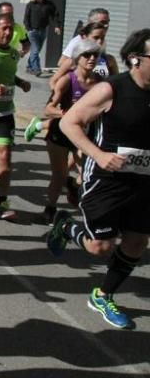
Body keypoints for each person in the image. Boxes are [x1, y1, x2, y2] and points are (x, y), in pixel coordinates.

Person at [47, 29, 150, 330]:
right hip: (107, 177)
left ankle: (103, 294)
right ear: (135, 59)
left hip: (145, 181)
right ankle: (67, 226)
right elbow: (69, 123)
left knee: (136, 241)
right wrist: (99, 155)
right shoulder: (112, 90)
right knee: (100, 248)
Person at [31, 39, 103, 225]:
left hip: (84, 135)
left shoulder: (100, 83)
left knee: (90, 174)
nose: (92, 58)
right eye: (87, 55)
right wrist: (71, 115)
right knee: (60, 174)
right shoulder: (67, 80)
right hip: (60, 133)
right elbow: (48, 109)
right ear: (78, 58)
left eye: (95, 55)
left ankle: (83, 200)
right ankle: (50, 209)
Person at [0, 13, 32, 221]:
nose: (8, 32)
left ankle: (2, 202)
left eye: (11, 29)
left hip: (5, 113)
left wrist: (20, 83)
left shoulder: (13, 54)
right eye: (4, 28)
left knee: (4, 156)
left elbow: (9, 75)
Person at [23, 0, 59, 74]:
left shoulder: (49, 4)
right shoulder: (30, 5)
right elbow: (26, 17)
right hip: (32, 31)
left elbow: (55, 15)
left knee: (36, 50)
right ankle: (37, 69)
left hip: (43, 30)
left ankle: (29, 66)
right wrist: (29, 29)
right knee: (35, 49)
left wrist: (57, 26)